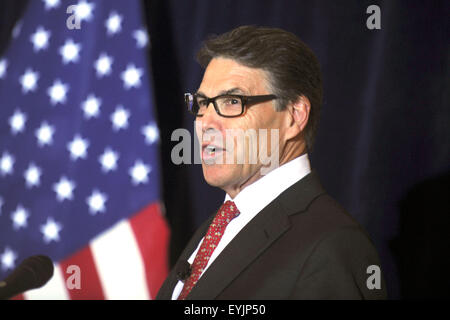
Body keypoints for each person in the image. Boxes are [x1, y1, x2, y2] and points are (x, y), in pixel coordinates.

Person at [156, 25, 387, 300]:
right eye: (202, 103)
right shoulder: (219, 226)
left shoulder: (332, 246)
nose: (206, 122)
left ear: (293, 116)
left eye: (232, 101)